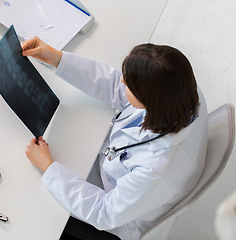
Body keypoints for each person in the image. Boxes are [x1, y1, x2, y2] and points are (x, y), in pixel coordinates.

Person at [22, 37, 208, 240]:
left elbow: (103, 213)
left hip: (117, 218)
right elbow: (116, 86)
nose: (121, 81)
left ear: (149, 100)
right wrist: (58, 58)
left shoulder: (156, 168)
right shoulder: (181, 91)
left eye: (129, 85)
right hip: (114, 177)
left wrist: (48, 167)